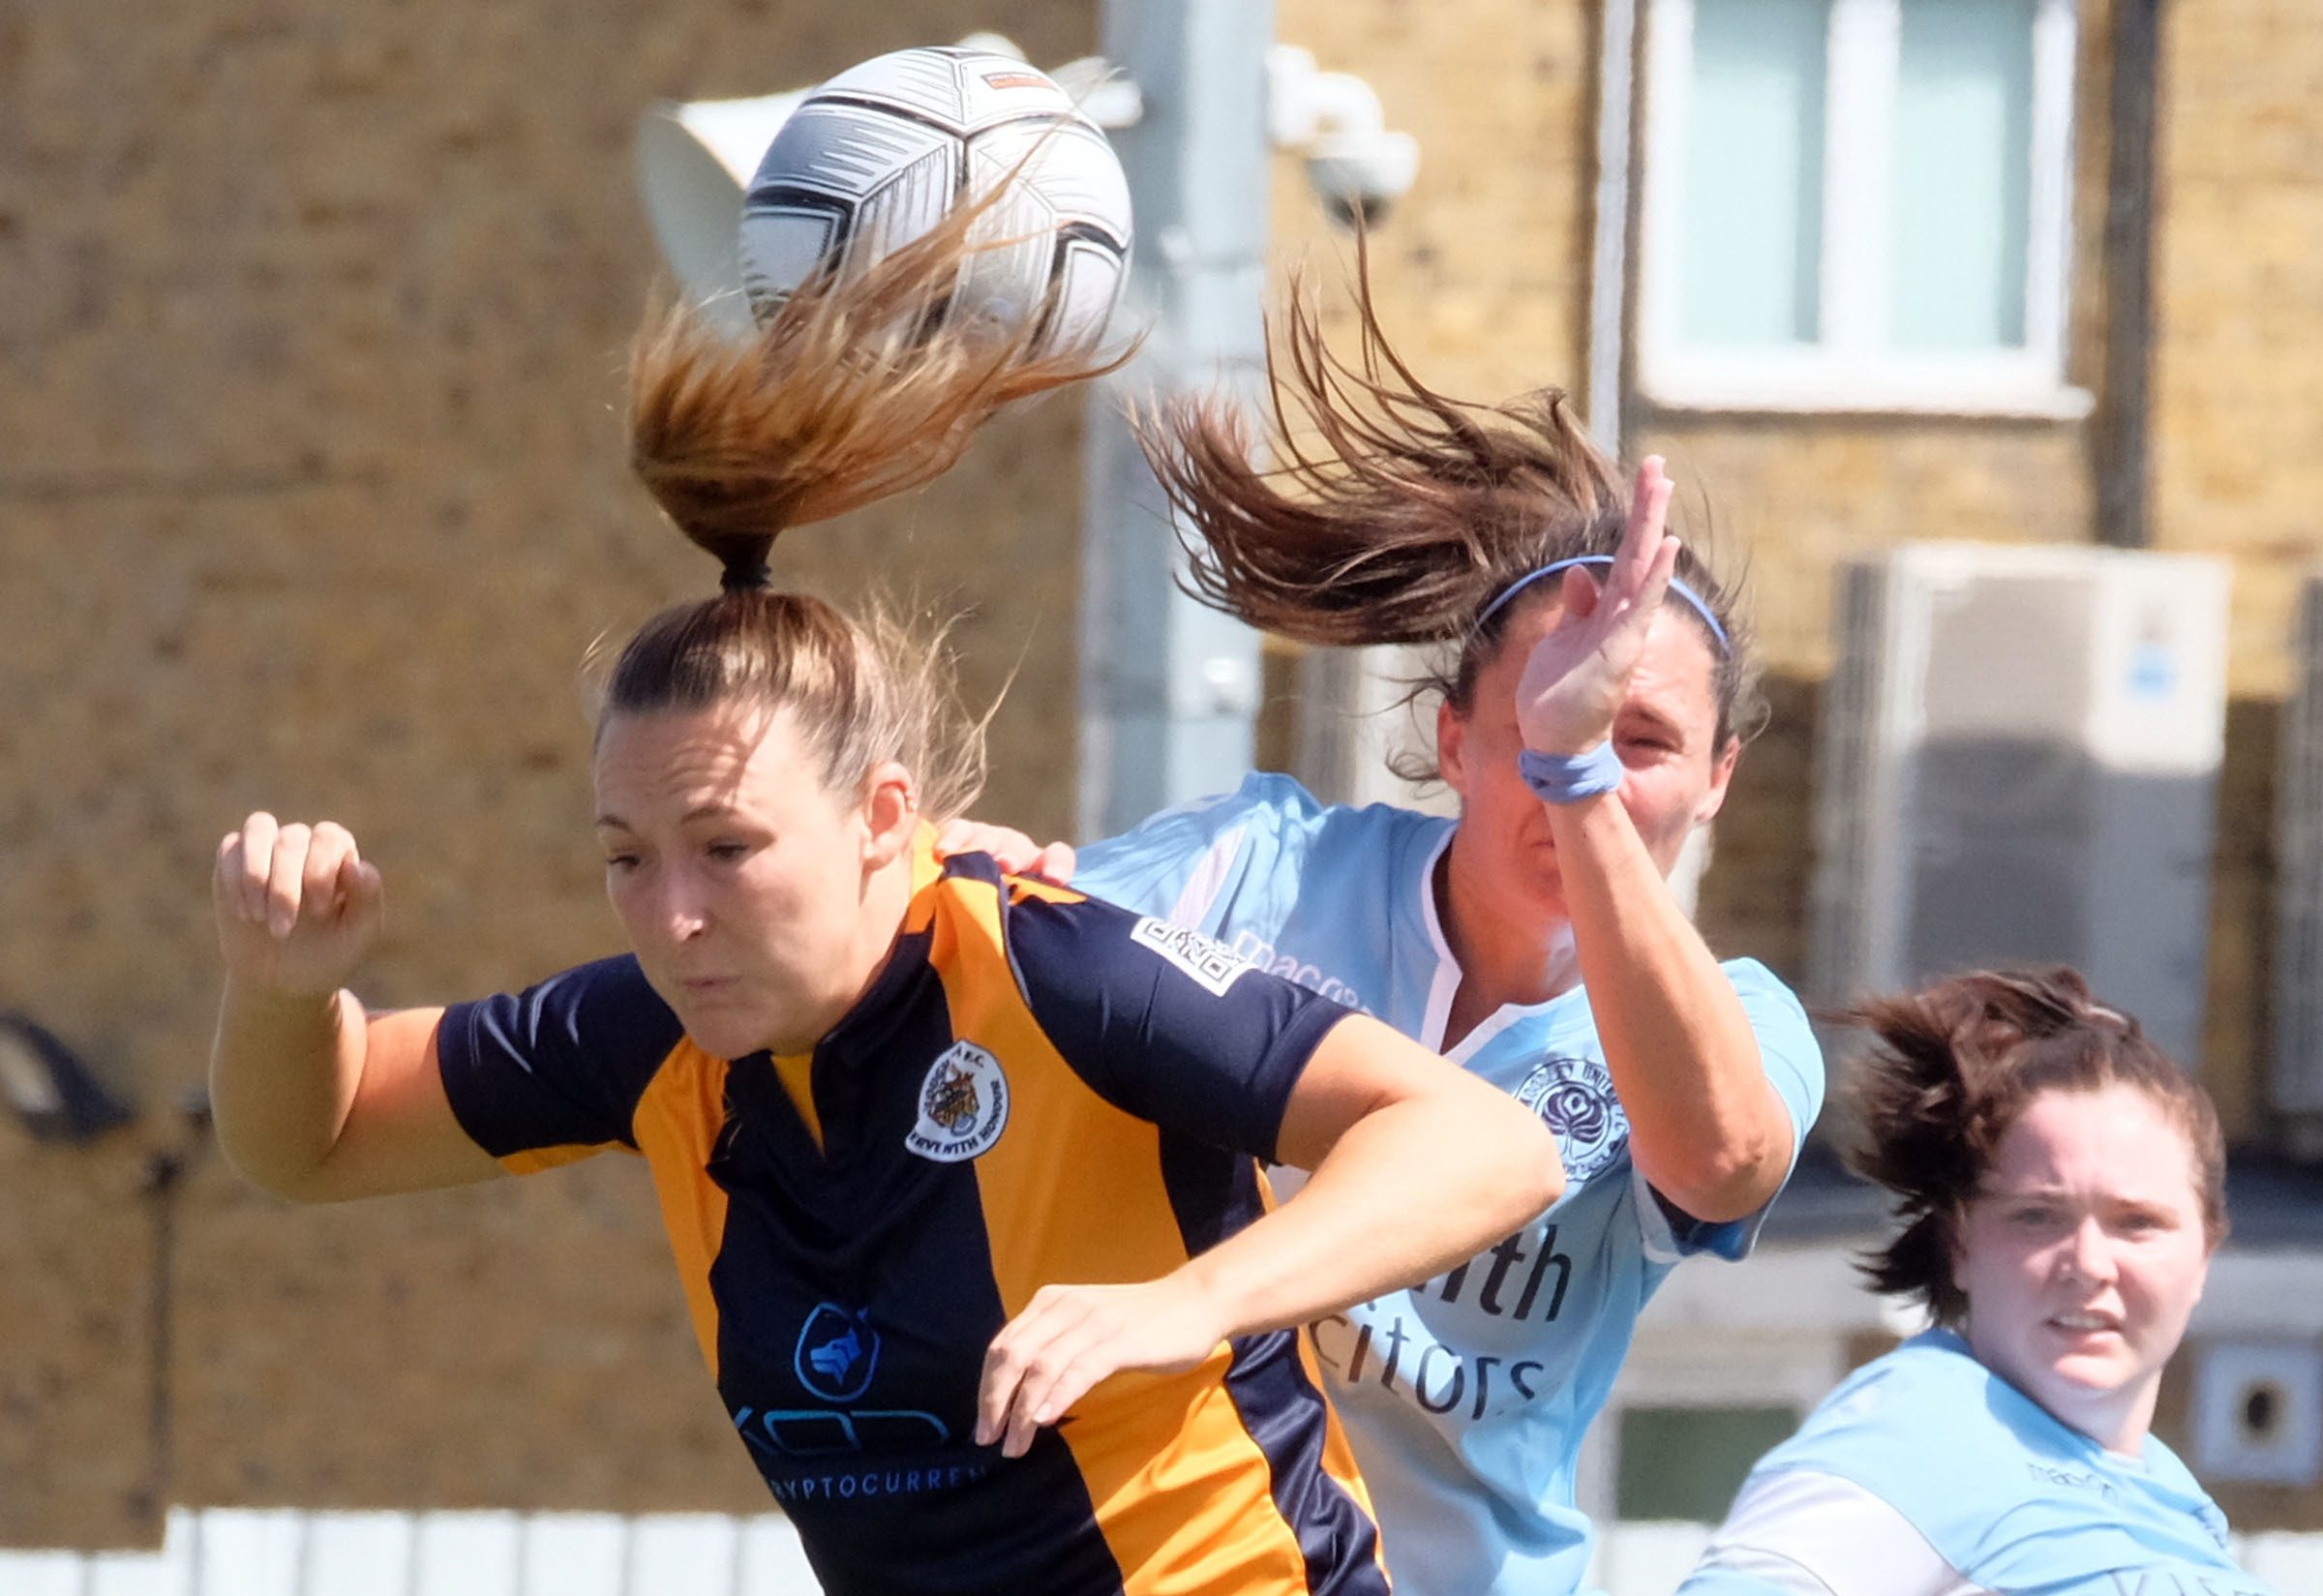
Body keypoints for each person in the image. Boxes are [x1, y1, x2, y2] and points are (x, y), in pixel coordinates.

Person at [204, 221, 1569, 1596]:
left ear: (880, 820)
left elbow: (1486, 1147)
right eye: (627, 857)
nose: (672, 913)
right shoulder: (661, 1038)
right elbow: (309, 1142)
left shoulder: (1053, 973)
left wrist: (1183, 1306)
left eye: (728, 848)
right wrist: (281, 988)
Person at [943, 271, 1825, 1595]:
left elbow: (1716, 1160)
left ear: (1717, 782)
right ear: (1453, 738)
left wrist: (1577, 767)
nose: (1582, 754)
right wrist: (950, 883)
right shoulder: (1259, 869)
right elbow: (971, 965)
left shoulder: (1743, 1025)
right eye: (1540, 716)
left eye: (1644, 740)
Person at [1680, 969, 2274, 1596]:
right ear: (1960, 1241)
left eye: (2137, 1223)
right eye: (2038, 1217)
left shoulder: (2173, 1500)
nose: (2090, 1263)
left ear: (2205, 1251)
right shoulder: (1916, 1427)